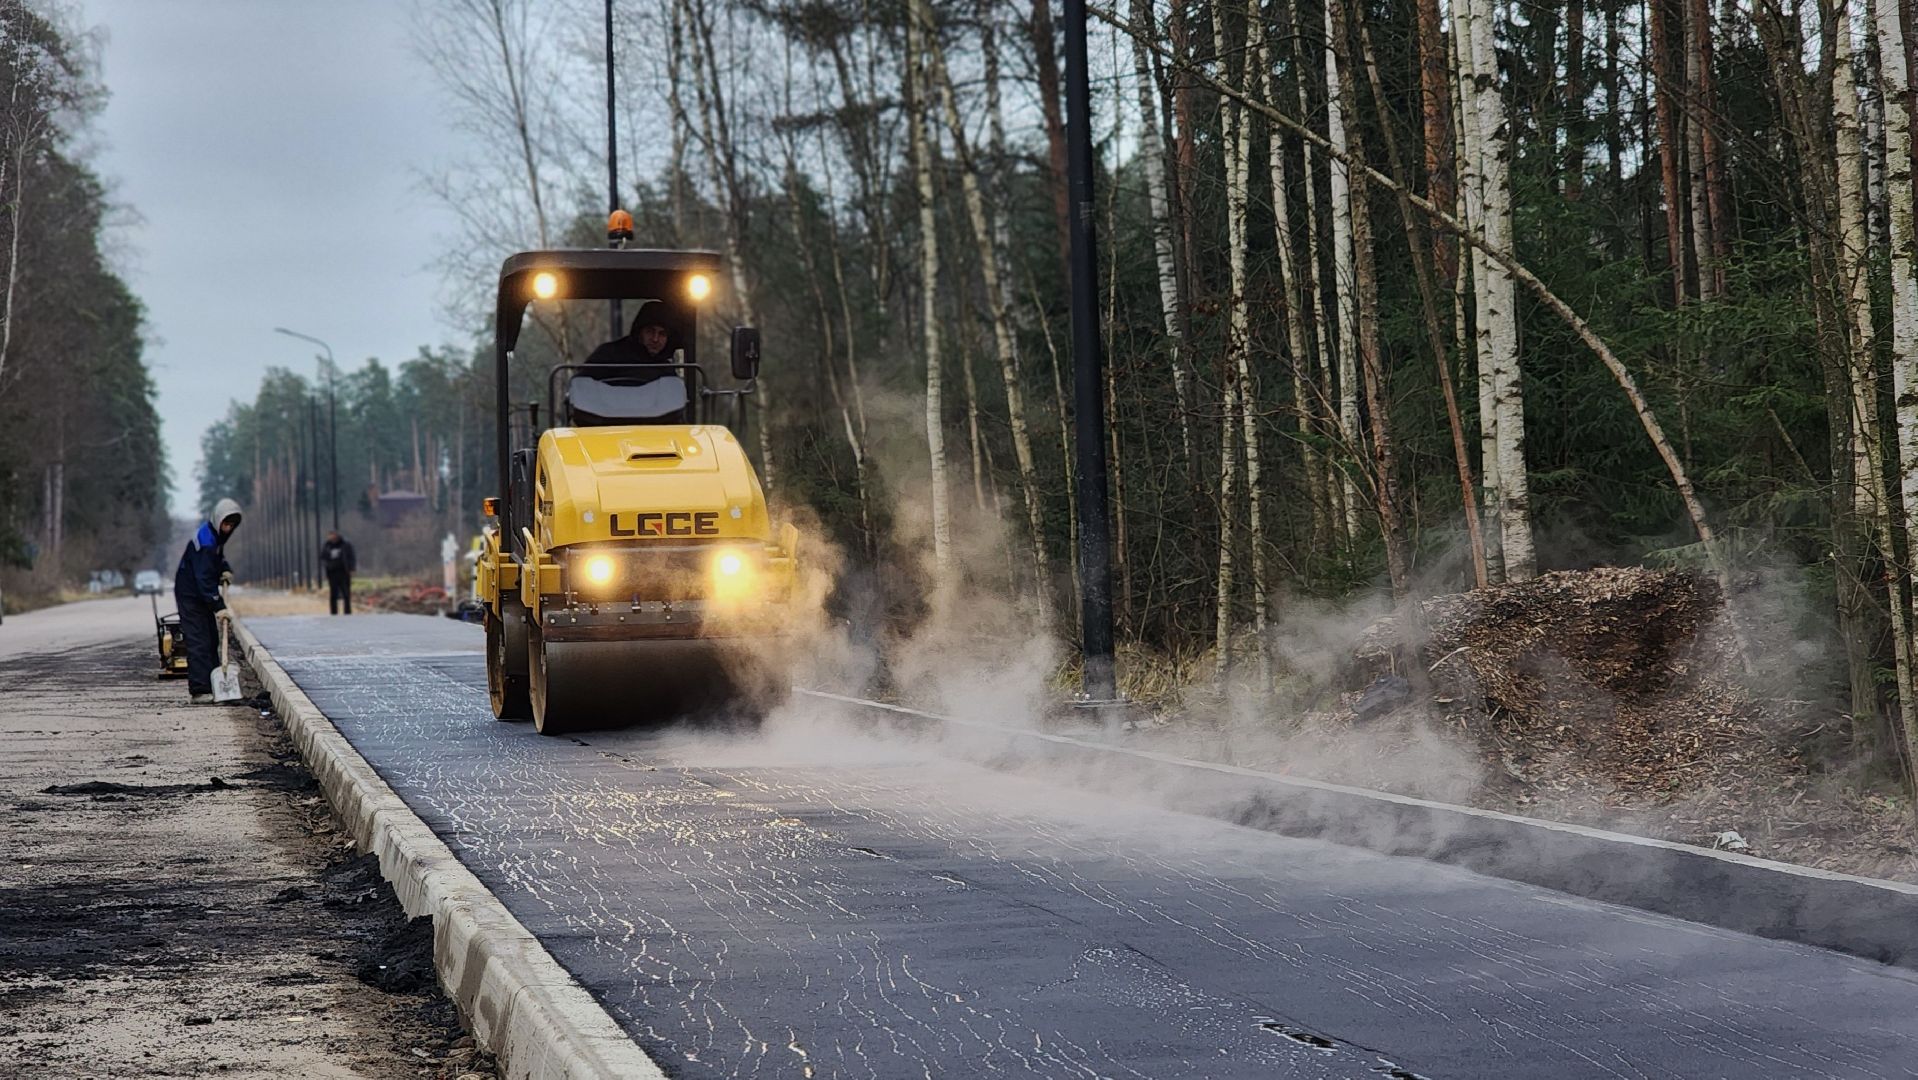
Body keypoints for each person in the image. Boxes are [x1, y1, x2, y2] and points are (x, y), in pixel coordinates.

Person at [173, 498, 241, 704]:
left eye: (232, 525)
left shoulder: (214, 537)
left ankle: (213, 684)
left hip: (199, 594)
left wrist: (224, 569)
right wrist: (218, 606)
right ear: (218, 520)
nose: (228, 529)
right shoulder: (206, 541)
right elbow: (203, 578)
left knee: (211, 637)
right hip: (191, 596)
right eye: (226, 524)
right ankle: (200, 689)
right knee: (199, 640)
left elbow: (216, 560)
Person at [319, 530, 356, 615]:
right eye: (329, 535)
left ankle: (347, 612)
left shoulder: (345, 544)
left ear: (336, 535)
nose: (330, 537)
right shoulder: (327, 545)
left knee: (346, 593)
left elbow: (351, 556)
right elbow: (322, 557)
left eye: (332, 535)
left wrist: (352, 568)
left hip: (343, 572)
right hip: (332, 573)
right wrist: (327, 564)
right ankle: (334, 612)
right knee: (333, 594)